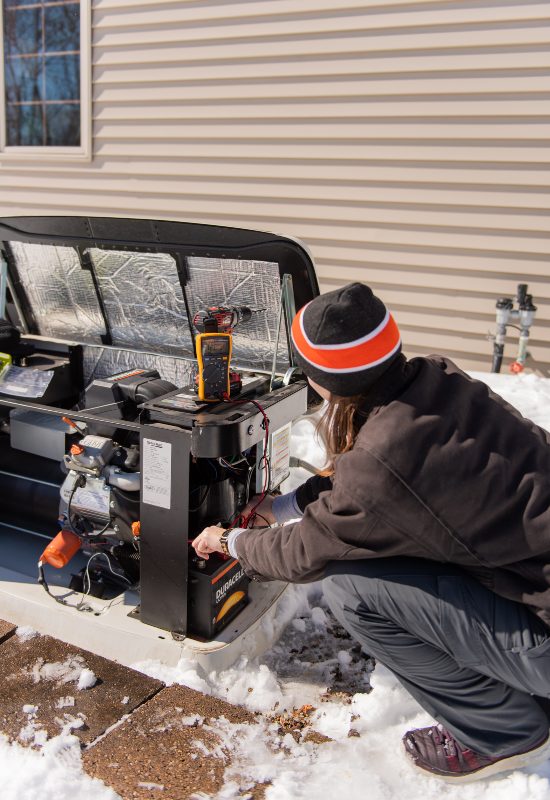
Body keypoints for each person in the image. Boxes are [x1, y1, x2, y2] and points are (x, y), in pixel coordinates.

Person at [192, 282, 550, 783]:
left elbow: (302, 554)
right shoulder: (438, 379)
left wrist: (228, 541)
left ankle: (501, 731)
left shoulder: (380, 464)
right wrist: (283, 504)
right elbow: (374, 488)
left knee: (350, 588)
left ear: (322, 379)